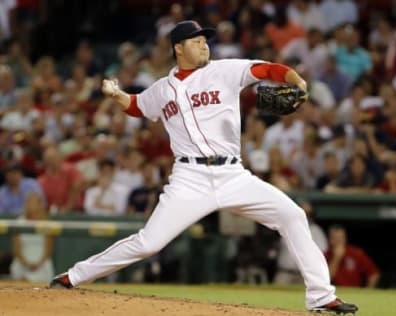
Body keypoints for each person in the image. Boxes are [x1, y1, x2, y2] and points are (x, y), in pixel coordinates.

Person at [49, 20, 358, 314]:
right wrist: (116, 94)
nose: (204, 45)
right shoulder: (161, 89)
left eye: (204, 40)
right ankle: (73, 277)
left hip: (233, 175)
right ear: (178, 49)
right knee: (149, 243)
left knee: (292, 215)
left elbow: (266, 69)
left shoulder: (225, 70)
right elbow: (137, 106)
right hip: (189, 178)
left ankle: (321, 297)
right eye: (195, 42)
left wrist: (297, 81)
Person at [10, 192, 55, 282]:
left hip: (42, 265)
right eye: (29, 202)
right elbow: (16, 250)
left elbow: (48, 251)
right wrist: (27, 264)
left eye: (34, 202)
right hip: (22, 264)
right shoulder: (18, 222)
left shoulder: (46, 223)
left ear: (40, 205)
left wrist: (38, 264)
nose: (31, 205)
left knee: (27, 280)